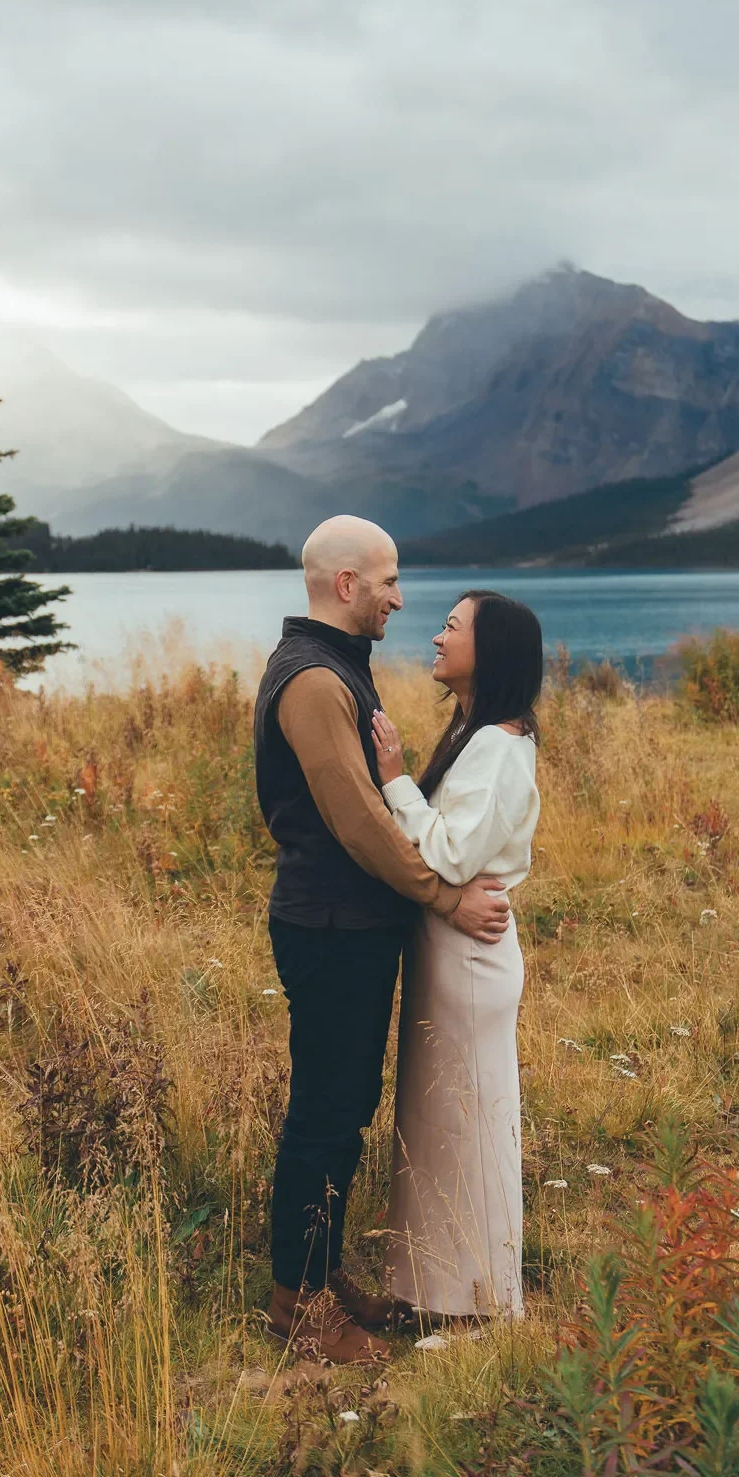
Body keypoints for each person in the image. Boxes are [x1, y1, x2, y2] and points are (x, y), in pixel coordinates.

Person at [253, 516, 512, 1365]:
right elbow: (360, 823)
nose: (402, 599)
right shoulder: (313, 683)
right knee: (325, 1116)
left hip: (350, 925)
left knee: (346, 1108)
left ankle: (320, 1279)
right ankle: (296, 1304)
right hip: (330, 927)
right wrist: (444, 896)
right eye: (390, 582)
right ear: (345, 585)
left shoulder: (335, 671)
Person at [370, 589, 542, 1326]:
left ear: (491, 649)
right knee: (441, 1128)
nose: (436, 637)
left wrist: (394, 777)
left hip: (470, 959)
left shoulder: (500, 747)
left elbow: (447, 851)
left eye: (452, 627)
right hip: (452, 953)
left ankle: (482, 1307)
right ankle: (434, 1293)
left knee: (470, 1133)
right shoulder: (477, 732)